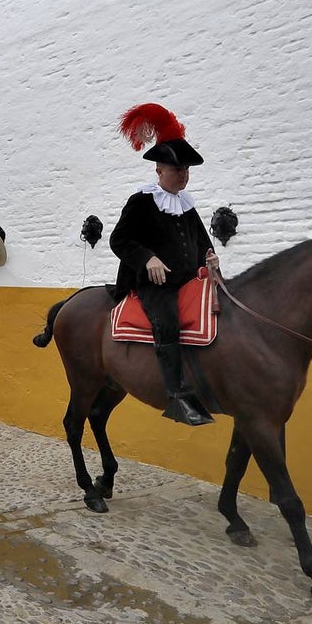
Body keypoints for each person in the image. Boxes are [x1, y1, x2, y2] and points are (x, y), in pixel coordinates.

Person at [109, 102, 219, 427]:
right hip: (155, 286)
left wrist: (210, 257)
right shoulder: (141, 202)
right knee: (168, 319)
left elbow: (201, 241)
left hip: (190, 280)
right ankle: (177, 396)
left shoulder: (187, 205)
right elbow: (120, 240)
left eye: (186, 170)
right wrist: (148, 258)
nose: (183, 175)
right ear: (159, 170)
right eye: (176, 170)